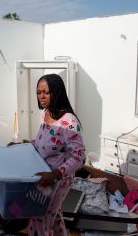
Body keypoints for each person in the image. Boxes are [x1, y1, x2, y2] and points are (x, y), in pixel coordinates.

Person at [28, 74, 86, 236]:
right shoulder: (45, 114)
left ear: (57, 92)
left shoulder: (68, 122)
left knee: (40, 218)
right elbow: (42, 142)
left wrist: (55, 174)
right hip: (45, 176)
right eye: (39, 92)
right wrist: (22, 145)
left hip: (58, 180)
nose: (41, 97)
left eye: (46, 92)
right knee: (53, 216)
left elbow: (79, 156)